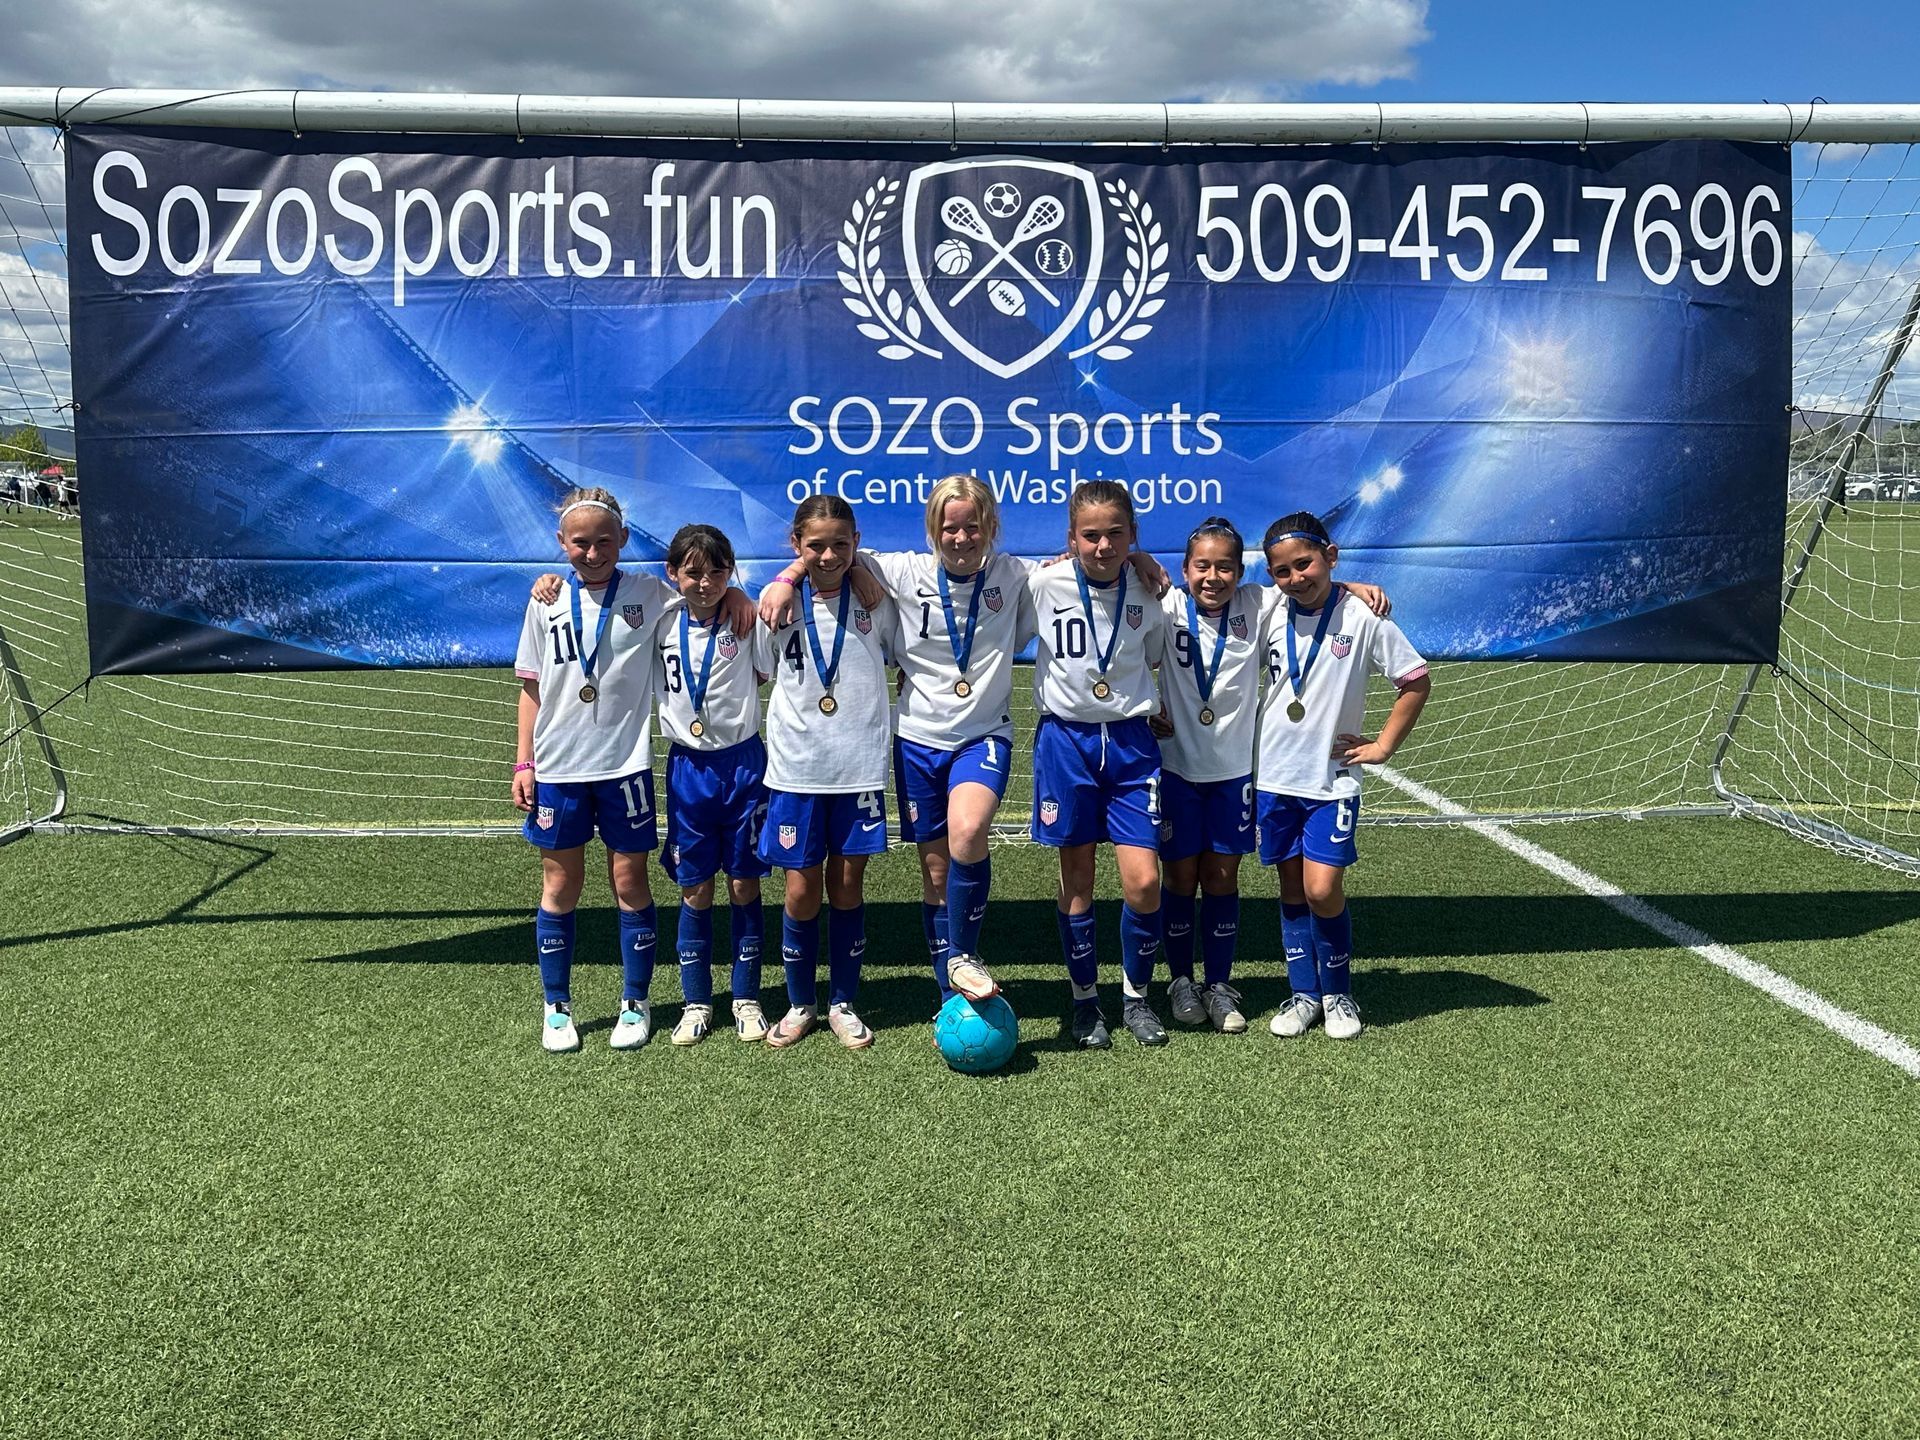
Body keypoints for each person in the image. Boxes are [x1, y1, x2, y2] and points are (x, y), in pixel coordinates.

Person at [1151, 520, 1395, 1034]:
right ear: (1184, 569)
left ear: (1242, 575)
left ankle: (1219, 986)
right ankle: (1180, 982)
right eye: (1202, 566)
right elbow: (1126, 644)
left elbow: (1312, 589)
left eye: (1224, 567)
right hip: (1174, 767)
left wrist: (1352, 585)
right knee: (1177, 879)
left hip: (1236, 773)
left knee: (1221, 878)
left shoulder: (1259, 604)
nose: (1212, 577)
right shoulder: (1165, 605)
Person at [512, 487, 677, 1053]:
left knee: (629, 882)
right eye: (579, 542)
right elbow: (531, 688)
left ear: (623, 541)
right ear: (561, 544)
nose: (592, 552)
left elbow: (713, 595)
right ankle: (556, 1005)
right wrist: (524, 761)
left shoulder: (651, 593)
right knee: (561, 884)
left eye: (604, 541)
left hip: (624, 766)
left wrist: (734, 599)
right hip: (559, 766)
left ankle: (636, 999)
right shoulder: (544, 600)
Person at [1257, 512, 1430, 1041]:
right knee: (1290, 888)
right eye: (1282, 571)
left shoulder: (1362, 616)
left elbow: (1416, 681)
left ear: (1330, 556)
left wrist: (1382, 745)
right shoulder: (1264, 609)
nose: (1295, 579)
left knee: (1322, 887)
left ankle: (1338, 994)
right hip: (1271, 777)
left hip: (1330, 781)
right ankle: (1304, 994)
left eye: (1304, 564)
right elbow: (1205, 591)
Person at [1029, 480, 1170, 1049]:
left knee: (1143, 882)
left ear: (1134, 536)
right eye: (1090, 536)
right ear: (1071, 539)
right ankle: (1085, 1000)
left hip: (1133, 746)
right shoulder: (1042, 584)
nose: (1103, 546)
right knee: (1077, 879)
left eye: (1117, 535)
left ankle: (1136, 997)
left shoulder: (1151, 589)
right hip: (1067, 744)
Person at [758, 495, 900, 1050]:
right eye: (814, 545)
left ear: (857, 541)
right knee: (800, 892)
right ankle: (800, 1002)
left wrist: (861, 570)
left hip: (858, 768)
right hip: (796, 770)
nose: (828, 555)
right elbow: (762, 674)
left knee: (846, 887)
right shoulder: (774, 605)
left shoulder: (876, 599)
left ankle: (842, 1001)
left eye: (842, 544)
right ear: (796, 545)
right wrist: (786, 578)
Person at [654, 524, 776, 1045]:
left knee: (744, 883)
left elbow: (768, 676)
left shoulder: (748, 623)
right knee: (696, 888)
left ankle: (746, 997)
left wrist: (742, 597)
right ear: (673, 575)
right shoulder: (658, 624)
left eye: (717, 572)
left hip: (745, 768)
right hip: (689, 770)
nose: (705, 583)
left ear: (732, 573)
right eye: (693, 573)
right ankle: (697, 1001)